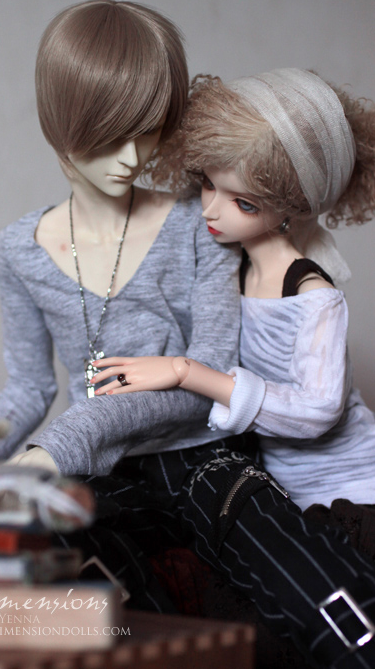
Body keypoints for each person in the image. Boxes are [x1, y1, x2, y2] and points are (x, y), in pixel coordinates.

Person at [0, 3, 375, 666]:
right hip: (109, 465)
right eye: (108, 135)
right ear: (61, 121)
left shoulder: (194, 223)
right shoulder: (18, 250)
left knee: (281, 549)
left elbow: (208, 367)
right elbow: (28, 389)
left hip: (202, 451)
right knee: (59, 556)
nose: (132, 158)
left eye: (148, 133)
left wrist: (65, 441)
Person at [91, 68, 375, 513]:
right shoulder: (228, 265)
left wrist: (186, 372)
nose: (211, 209)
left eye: (243, 203)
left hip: (350, 484)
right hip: (275, 485)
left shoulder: (314, 297)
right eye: (208, 183)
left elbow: (318, 411)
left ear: (292, 206)